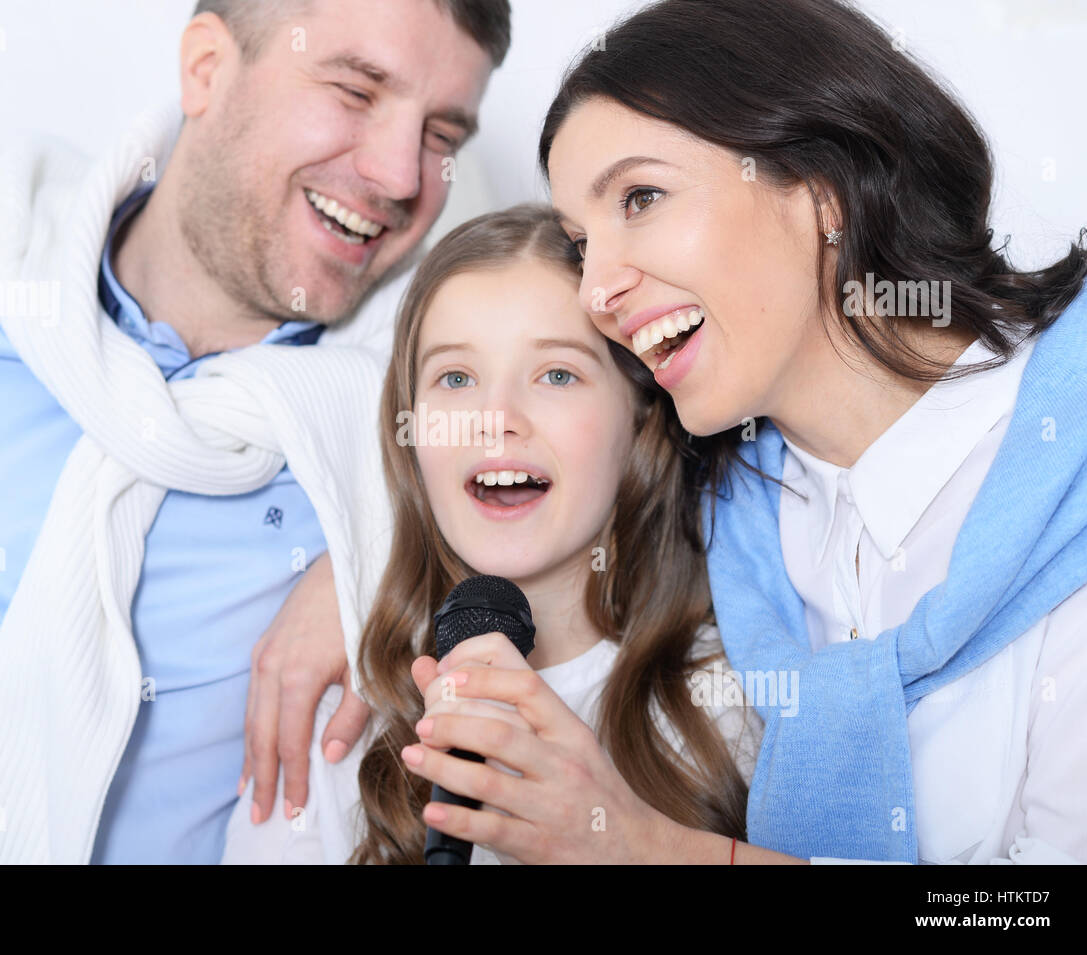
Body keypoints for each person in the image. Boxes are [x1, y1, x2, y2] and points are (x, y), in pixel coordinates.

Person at [0, 0, 509, 863]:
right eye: (357, 92)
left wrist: (399, 556)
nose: (403, 176)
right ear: (207, 69)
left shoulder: (402, 449)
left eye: (442, 136)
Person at [537, 0, 1087, 862]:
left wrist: (660, 855)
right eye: (580, 244)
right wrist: (347, 564)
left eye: (641, 197)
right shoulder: (734, 516)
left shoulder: (1081, 482)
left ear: (824, 190)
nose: (595, 290)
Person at [223, 204, 762, 863]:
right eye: (456, 377)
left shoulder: (732, 704)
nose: (495, 419)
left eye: (557, 374)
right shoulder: (341, 714)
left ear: (639, 420)